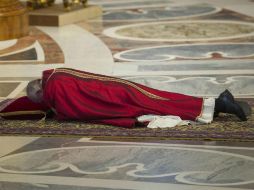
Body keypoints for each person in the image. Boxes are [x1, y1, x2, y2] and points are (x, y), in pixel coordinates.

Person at [26, 68, 251, 128]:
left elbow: (78, 109)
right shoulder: (55, 75)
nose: (46, 103)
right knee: (164, 99)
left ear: (40, 92)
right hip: (118, 88)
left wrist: (60, 114)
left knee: (161, 106)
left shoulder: (55, 89)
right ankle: (218, 104)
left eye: (42, 100)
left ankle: (222, 104)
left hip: (116, 100)